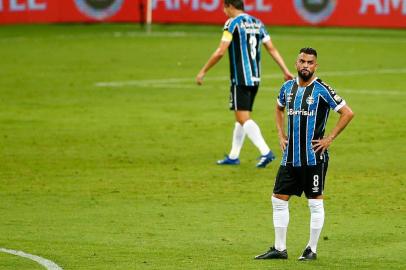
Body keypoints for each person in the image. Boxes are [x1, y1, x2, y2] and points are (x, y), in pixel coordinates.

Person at [255, 47, 354, 260]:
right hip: (290, 156)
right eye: (302, 61)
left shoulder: (322, 89)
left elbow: (347, 113)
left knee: (315, 201)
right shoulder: (287, 88)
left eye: (310, 62)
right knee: (278, 200)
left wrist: (329, 139)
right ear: (296, 63)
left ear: (315, 66)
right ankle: (280, 249)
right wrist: (281, 135)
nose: (306, 66)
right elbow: (278, 108)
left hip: (313, 157)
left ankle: (311, 249)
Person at [196, 0, 294, 168]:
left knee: (243, 118)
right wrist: (285, 70)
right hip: (255, 78)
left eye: (224, 7)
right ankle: (234, 155)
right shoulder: (258, 23)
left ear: (230, 6)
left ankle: (265, 152)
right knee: (241, 117)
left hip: (240, 78)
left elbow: (220, 51)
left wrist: (203, 71)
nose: (223, 11)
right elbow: (271, 48)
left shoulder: (231, 23)